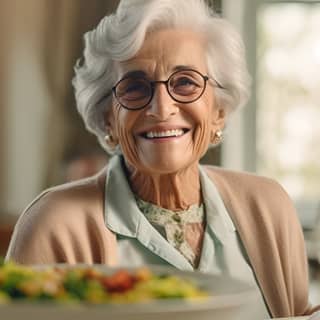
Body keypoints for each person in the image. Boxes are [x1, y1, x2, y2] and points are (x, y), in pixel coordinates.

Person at [5, 0, 319, 318]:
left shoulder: (269, 205)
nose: (161, 108)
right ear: (109, 119)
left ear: (219, 112)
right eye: (135, 87)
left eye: (185, 82)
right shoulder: (53, 225)